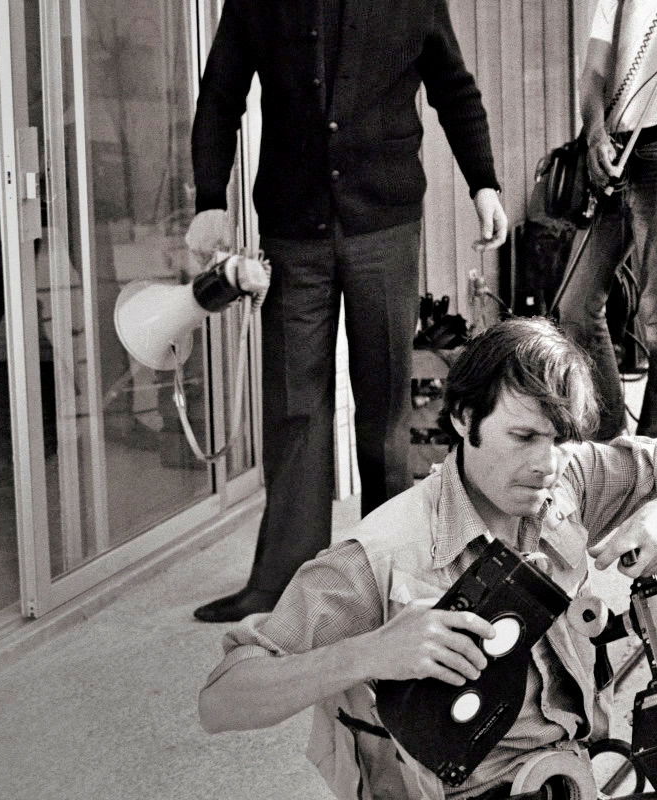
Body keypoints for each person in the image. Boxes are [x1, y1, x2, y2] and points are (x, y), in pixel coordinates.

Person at [197, 319, 657, 799]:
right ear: (465, 419)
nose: (546, 463)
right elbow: (220, 701)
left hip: (572, 775)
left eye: (560, 438)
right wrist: (371, 652)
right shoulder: (379, 555)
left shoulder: (568, 481)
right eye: (523, 437)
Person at [185, 0, 511, 623]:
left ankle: (391, 577)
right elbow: (221, 93)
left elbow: (454, 89)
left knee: (385, 411)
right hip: (292, 227)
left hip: (384, 225)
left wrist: (485, 183)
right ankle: (284, 585)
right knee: (295, 407)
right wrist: (209, 198)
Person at [556, 0, 657, 440]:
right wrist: (594, 133)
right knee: (575, 306)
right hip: (610, 151)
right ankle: (610, 439)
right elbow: (593, 73)